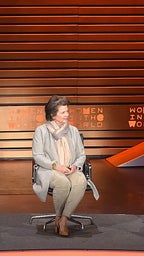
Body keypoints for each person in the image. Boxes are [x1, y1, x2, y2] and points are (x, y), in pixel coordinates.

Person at [32, 95, 98, 237]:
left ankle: (63, 219)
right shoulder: (41, 131)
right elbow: (37, 156)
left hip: (70, 169)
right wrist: (56, 166)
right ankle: (58, 217)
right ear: (52, 114)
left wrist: (75, 166)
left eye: (67, 111)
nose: (67, 114)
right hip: (50, 170)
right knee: (62, 183)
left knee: (80, 181)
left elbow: (81, 155)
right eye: (63, 112)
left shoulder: (73, 131)